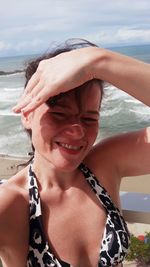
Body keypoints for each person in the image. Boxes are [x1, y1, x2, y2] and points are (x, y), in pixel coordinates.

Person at [0, 39, 150, 267]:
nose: (77, 130)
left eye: (89, 118)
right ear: (26, 114)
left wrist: (97, 60)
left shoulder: (105, 164)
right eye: (59, 114)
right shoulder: (13, 202)